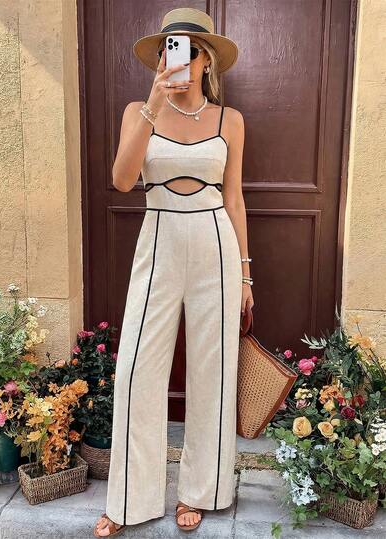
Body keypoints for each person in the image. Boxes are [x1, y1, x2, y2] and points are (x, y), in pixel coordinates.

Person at [94, 7, 254, 537]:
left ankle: (200, 491)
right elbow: (122, 180)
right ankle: (128, 499)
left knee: (213, 371)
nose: (175, 56)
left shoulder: (230, 120)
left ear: (207, 60)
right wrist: (154, 102)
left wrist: (245, 275)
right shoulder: (139, 110)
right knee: (136, 369)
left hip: (215, 242)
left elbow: (234, 199)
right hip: (158, 236)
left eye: (186, 48)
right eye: (168, 47)